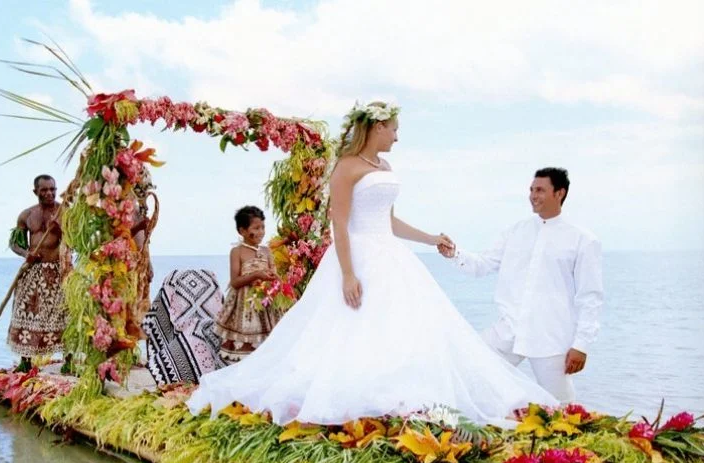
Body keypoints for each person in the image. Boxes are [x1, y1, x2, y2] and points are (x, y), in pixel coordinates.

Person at [187, 102, 558, 427]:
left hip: (391, 255)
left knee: (402, 329)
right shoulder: (346, 167)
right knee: (347, 330)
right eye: (393, 129)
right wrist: (348, 273)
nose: (396, 137)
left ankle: (398, 398)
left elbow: (390, 221)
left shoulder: (384, 163)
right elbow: (340, 224)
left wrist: (431, 239)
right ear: (378, 127)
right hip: (358, 257)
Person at [437, 168, 603, 402]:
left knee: (561, 408)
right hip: (508, 331)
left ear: (559, 193)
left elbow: (590, 297)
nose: (533, 195)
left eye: (540, 190)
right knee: (469, 372)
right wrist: (454, 253)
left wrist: (581, 345)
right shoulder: (516, 231)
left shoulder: (583, 240)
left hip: (550, 337)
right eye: (531, 190)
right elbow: (483, 264)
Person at [8, 175, 67, 372]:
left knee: (65, 314)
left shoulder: (64, 212)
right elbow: (14, 243)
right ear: (35, 191)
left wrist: (60, 230)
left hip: (58, 270)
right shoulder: (26, 215)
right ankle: (26, 361)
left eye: (52, 189)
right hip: (33, 272)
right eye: (44, 190)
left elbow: (75, 242)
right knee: (27, 313)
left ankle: (70, 360)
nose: (49, 193)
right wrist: (27, 254)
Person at [215, 206, 281, 363]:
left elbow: (275, 275)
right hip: (244, 307)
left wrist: (273, 279)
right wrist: (256, 275)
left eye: (263, 227)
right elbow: (235, 282)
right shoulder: (237, 252)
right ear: (242, 231)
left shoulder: (266, 251)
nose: (261, 232)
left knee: (267, 350)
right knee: (245, 352)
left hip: (265, 303)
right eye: (256, 228)